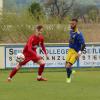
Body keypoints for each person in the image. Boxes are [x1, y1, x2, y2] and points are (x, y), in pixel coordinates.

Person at [65, 19, 86, 83]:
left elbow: (84, 44)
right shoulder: (71, 31)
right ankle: (71, 72)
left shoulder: (79, 34)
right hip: (70, 50)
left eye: (73, 24)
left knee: (68, 66)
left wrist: (79, 53)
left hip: (75, 52)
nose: (71, 25)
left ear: (76, 24)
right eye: (71, 23)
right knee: (66, 66)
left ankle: (68, 78)